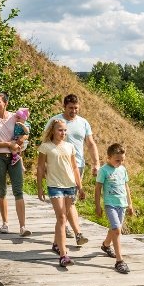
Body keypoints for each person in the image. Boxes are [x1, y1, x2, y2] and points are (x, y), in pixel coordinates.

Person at [41, 94, 99, 244]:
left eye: (76, 108)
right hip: (58, 166)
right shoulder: (55, 121)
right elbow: (45, 142)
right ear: (64, 107)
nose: (73, 111)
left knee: (71, 201)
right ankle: (74, 231)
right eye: (70, 108)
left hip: (76, 165)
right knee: (69, 202)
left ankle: (64, 228)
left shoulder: (83, 123)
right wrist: (45, 167)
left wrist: (96, 163)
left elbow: (90, 143)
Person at [35, 118, 83, 268]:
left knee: (63, 218)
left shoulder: (70, 146)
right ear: (53, 130)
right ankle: (63, 255)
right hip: (54, 186)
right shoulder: (45, 147)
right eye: (60, 130)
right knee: (61, 217)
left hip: (70, 185)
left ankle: (56, 244)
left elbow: (75, 167)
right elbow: (40, 168)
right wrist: (39, 187)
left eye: (65, 130)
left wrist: (80, 186)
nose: (63, 133)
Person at [0, 92, 30, 236]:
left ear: (6, 103)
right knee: (2, 189)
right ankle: (5, 223)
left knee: (18, 190)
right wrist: (8, 144)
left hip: (15, 156)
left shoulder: (14, 116)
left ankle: (23, 227)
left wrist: (20, 141)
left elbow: (26, 130)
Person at [95, 142, 136, 274]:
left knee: (114, 229)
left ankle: (106, 245)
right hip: (110, 204)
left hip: (122, 205)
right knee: (117, 230)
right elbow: (98, 188)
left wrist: (130, 204)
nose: (120, 162)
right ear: (109, 157)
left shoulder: (122, 169)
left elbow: (126, 187)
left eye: (122, 160)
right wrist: (97, 205)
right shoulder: (104, 170)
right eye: (117, 160)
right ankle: (119, 261)